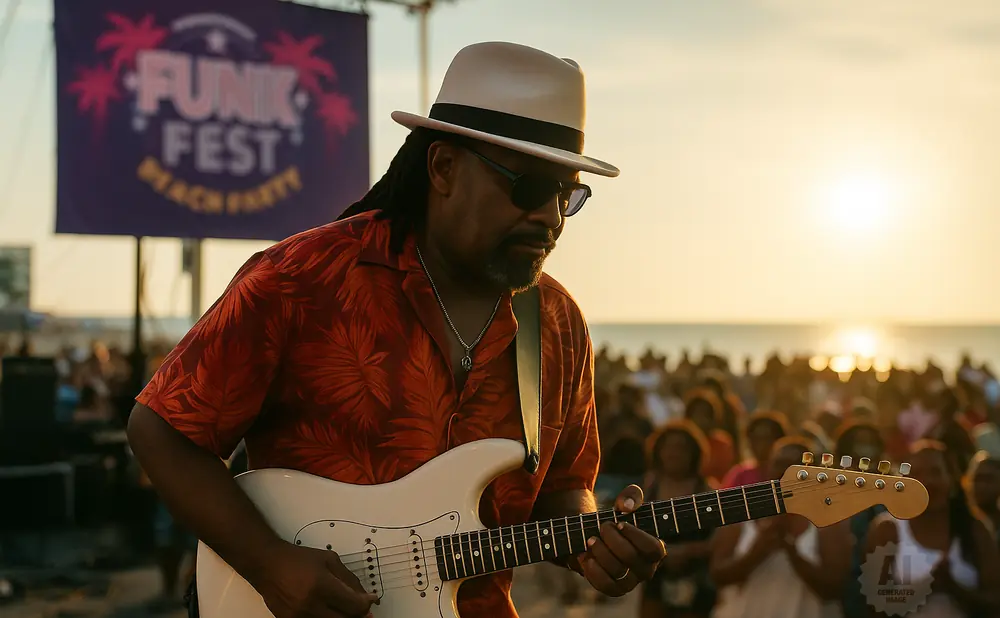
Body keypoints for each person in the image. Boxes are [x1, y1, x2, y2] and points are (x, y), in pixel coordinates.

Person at [126, 42, 666, 618]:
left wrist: (592, 540)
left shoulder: (557, 324)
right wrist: (270, 564)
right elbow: (162, 432)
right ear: (443, 168)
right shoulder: (302, 279)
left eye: (567, 195)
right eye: (530, 189)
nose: (551, 217)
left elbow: (564, 486)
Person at [710, 438, 852, 618]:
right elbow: (717, 575)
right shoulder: (740, 515)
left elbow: (835, 588)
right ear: (768, 468)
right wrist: (756, 553)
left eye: (795, 466)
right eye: (779, 464)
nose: (785, 472)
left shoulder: (830, 521)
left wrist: (791, 551)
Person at [864, 440, 1000, 618]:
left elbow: (994, 602)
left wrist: (955, 589)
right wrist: (925, 587)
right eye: (917, 474)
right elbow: (873, 605)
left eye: (935, 472)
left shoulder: (975, 529)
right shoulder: (887, 530)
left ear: (951, 478)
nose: (927, 481)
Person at [640, 420, 716, 618]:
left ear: (694, 453)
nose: (674, 453)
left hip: (697, 582)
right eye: (669, 447)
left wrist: (686, 552)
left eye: (681, 447)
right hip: (655, 580)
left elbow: (721, 541)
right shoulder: (647, 491)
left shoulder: (707, 492)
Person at [721, 411, 789, 488]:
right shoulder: (740, 475)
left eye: (766, 438)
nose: (761, 444)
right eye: (755, 438)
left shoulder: (787, 472)